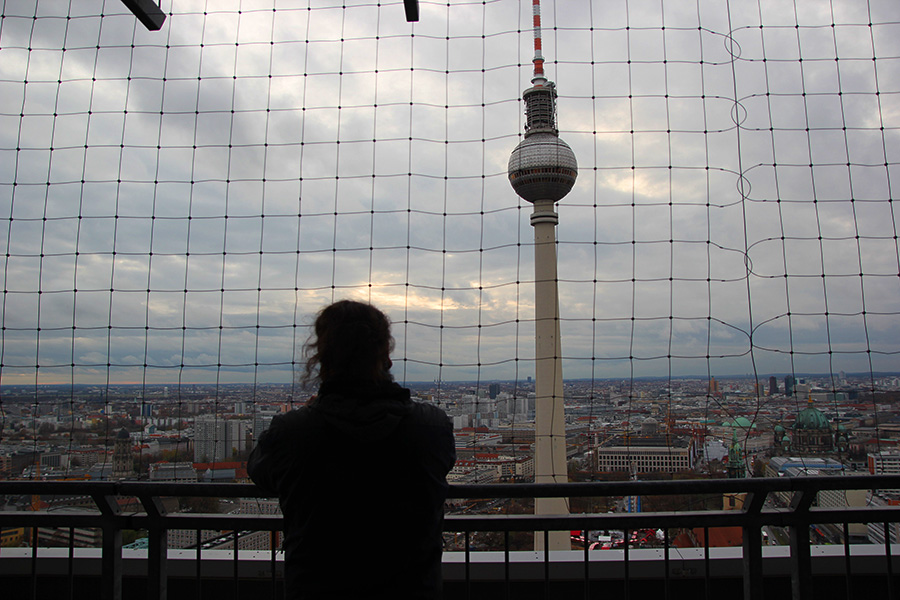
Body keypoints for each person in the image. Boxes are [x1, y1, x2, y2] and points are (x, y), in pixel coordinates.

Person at [248, 299, 456, 599]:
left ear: (322, 357)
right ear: (386, 356)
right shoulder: (432, 428)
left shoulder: (293, 433)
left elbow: (260, 472)